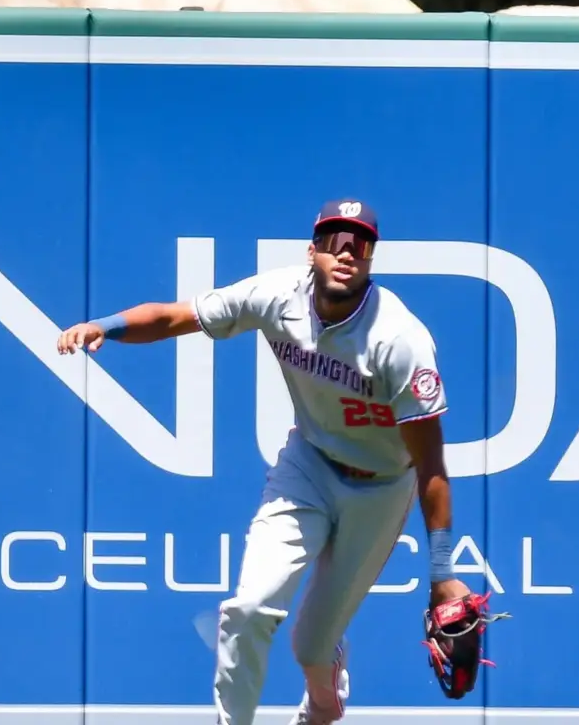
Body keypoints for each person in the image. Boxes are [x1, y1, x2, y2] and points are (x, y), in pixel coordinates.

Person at [57, 198, 471, 725]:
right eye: (333, 242)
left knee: (311, 648)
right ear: (312, 251)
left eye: (359, 245)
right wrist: (105, 325)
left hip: (382, 487)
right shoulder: (278, 296)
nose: (345, 253)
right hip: (308, 465)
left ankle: (324, 699)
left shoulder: (399, 340)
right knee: (248, 610)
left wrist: (441, 573)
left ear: (370, 258)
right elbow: (175, 316)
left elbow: (431, 466)